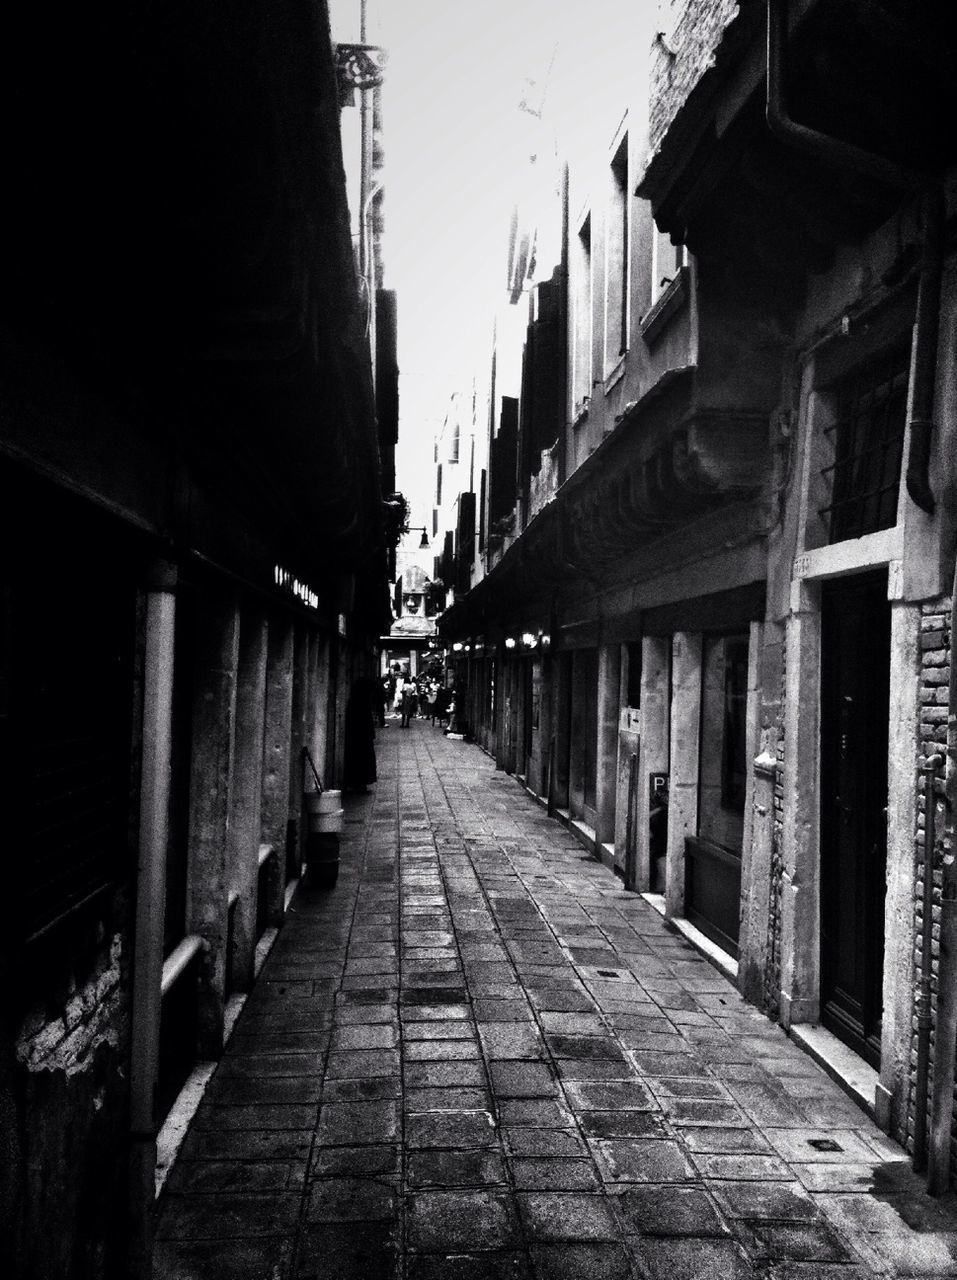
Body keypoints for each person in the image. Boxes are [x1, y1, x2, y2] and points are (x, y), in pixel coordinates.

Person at [343, 676, 377, 792]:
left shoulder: (356, 701)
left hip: (360, 736)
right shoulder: (361, 703)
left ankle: (359, 782)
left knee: (360, 759)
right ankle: (359, 782)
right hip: (361, 737)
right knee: (361, 759)